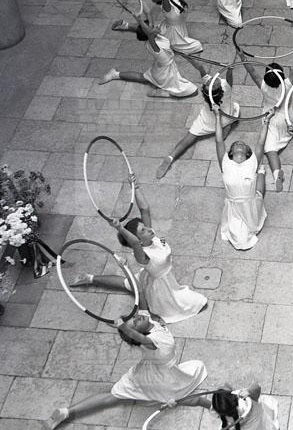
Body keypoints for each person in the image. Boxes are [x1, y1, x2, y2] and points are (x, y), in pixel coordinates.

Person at [43, 294, 207, 430]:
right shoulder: (151, 341)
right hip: (161, 378)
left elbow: (140, 294)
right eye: (135, 322)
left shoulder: (147, 321)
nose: (138, 316)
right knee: (114, 397)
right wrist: (124, 328)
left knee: (113, 396)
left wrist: (126, 269)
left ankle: (66, 412)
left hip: (151, 371)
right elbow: (139, 337)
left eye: (134, 317)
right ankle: (66, 412)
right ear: (136, 331)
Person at [71, 174, 207, 323]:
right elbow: (135, 242)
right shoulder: (142, 255)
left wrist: (135, 187)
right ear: (139, 240)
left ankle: (90, 278)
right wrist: (119, 227)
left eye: (145, 227)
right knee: (196, 302)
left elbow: (145, 209)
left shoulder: (150, 235)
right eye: (143, 231)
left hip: (160, 276)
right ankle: (89, 278)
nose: (148, 229)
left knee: (127, 283)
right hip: (161, 287)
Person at [237, 43, 293, 192]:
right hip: (288, 117)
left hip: (271, 117)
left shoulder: (262, 85)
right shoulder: (287, 84)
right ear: (282, 76)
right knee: (271, 146)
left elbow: (251, 70)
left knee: (269, 149)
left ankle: (276, 174)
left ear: (266, 77)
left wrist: (242, 56)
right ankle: (276, 176)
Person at [100, 0, 197, 98]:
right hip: (165, 75)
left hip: (159, 69)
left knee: (143, 77)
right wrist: (139, 20)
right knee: (193, 91)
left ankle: (115, 74)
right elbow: (149, 32)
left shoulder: (154, 37)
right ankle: (166, 93)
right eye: (152, 27)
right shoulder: (154, 44)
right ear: (149, 34)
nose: (156, 26)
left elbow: (148, 14)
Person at [156, 65, 239, 178]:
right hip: (224, 119)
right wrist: (229, 69)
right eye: (214, 82)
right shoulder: (226, 88)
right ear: (220, 89)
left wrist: (190, 59)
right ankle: (226, 128)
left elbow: (200, 68)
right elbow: (229, 76)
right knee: (236, 109)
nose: (213, 79)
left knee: (188, 137)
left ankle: (170, 157)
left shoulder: (206, 90)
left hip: (205, 121)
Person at [214, 105, 273, 250]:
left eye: (243, 144)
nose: (240, 144)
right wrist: (217, 115)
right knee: (239, 240)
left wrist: (266, 122)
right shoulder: (225, 163)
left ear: (247, 152)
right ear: (231, 151)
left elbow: (260, 143)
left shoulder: (252, 162)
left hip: (250, 205)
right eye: (236, 144)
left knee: (258, 194)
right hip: (234, 208)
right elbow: (219, 141)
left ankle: (261, 173)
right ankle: (261, 172)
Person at [168, 383, 279, 430]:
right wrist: (249, 391)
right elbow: (256, 387)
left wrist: (178, 402)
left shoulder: (222, 411)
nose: (226, 384)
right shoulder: (247, 400)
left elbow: (198, 400)